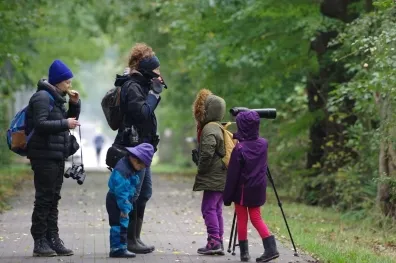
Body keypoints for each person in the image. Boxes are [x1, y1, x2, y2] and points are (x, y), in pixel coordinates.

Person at [111, 43, 166, 254]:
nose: (159, 74)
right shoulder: (132, 87)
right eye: (157, 70)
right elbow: (141, 114)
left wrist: (152, 92)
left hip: (144, 150)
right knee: (133, 194)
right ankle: (127, 240)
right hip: (133, 150)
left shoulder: (140, 86)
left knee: (144, 193)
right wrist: (153, 95)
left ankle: (135, 237)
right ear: (146, 69)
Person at [26, 59, 81, 257]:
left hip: (56, 154)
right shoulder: (42, 97)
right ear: (58, 81)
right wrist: (65, 122)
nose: (69, 85)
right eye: (67, 82)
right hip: (43, 156)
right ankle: (39, 241)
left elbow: (66, 121)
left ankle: (53, 238)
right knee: (43, 199)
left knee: (53, 199)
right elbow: (41, 124)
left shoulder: (56, 98)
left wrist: (74, 106)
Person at [223, 110, 279, 262]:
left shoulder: (239, 149)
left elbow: (233, 176)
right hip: (258, 188)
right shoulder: (263, 144)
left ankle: (244, 253)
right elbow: (252, 142)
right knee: (256, 217)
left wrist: (227, 197)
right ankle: (271, 248)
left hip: (242, 190)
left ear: (241, 126)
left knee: (242, 218)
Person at [192, 89, 227, 255]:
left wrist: (201, 168)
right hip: (221, 175)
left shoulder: (209, 128)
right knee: (216, 208)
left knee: (208, 208)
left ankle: (214, 242)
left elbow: (207, 152)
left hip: (213, 175)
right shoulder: (219, 126)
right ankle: (218, 240)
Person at [106, 143, 154, 258]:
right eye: (142, 167)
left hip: (123, 201)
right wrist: (125, 208)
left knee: (123, 224)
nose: (142, 169)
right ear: (136, 160)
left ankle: (122, 247)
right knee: (118, 225)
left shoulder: (130, 167)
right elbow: (121, 192)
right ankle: (117, 249)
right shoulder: (123, 170)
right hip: (116, 201)